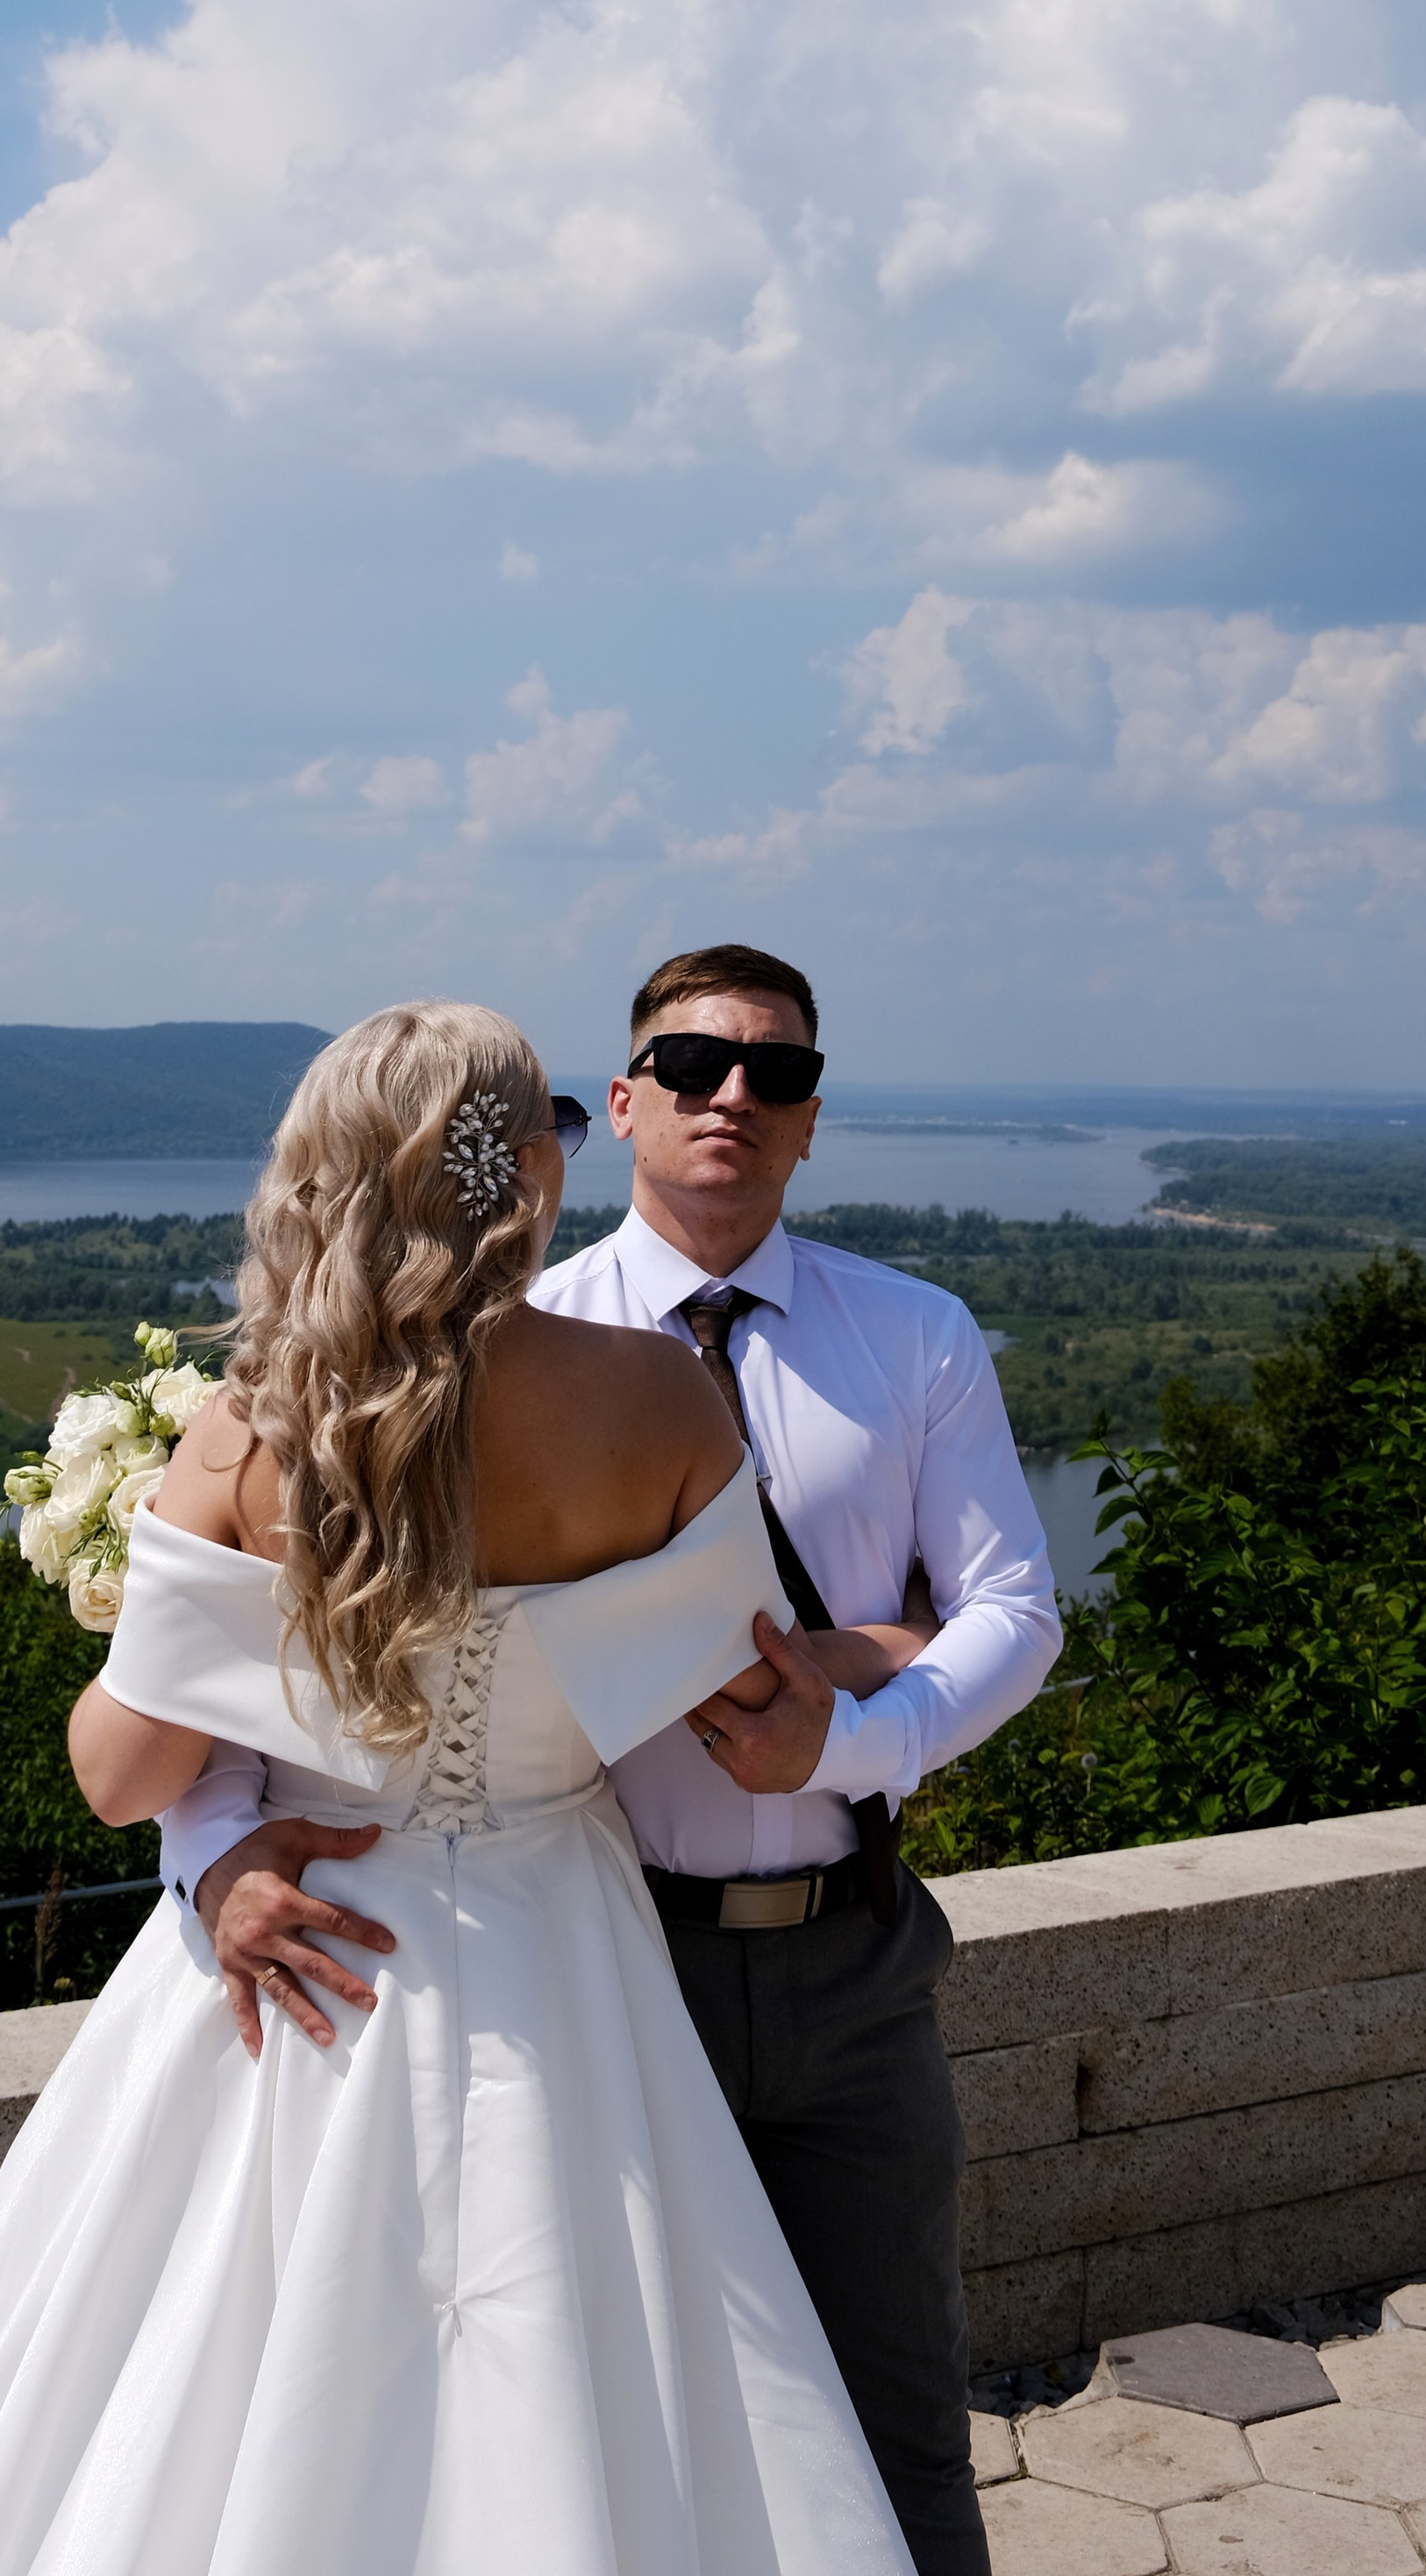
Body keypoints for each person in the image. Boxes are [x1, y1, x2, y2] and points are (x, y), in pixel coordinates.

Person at [0, 1003, 921, 2576]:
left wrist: (216, 1817)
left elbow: (121, 1777)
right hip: (560, 1947)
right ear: (522, 1168)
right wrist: (893, 1658)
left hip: (303, 1950)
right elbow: (740, 1698)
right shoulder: (665, 1403)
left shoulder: (253, 1426)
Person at [164, 946, 1062, 2576]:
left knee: (899, 2430)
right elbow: (291, 1672)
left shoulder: (919, 1337)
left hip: (852, 1965)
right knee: (613, 2447)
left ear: (809, 1125)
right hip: (593, 1973)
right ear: (623, 1099)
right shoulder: (494, 1340)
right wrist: (213, 1855)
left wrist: (852, 1739)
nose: (735, 1097)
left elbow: (1013, 1609)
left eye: (776, 1078)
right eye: (693, 1065)